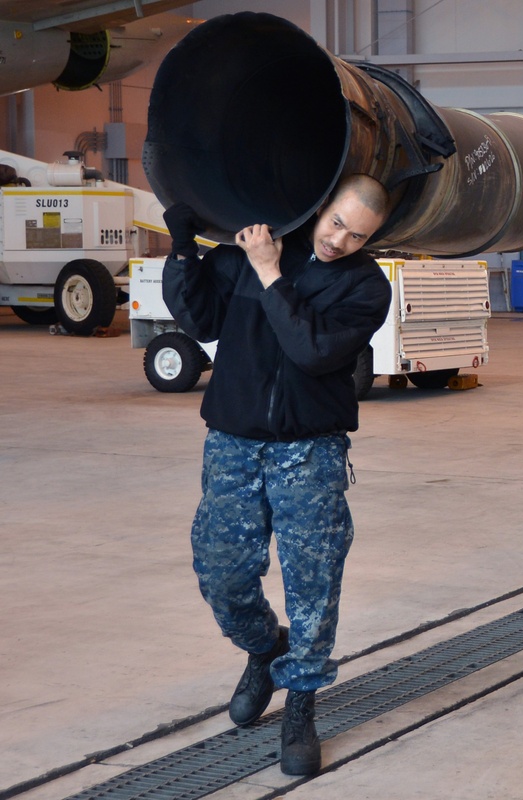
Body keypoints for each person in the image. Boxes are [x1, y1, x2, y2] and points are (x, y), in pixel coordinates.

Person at [161, 173, 392, 776]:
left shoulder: (365, 288)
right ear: (320, 208)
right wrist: (185, 247)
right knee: (220, 575)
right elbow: (197, 317)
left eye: (357, 234)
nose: (340, 240)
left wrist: (270, 273)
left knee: (312, 586)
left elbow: (312, 351)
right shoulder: (256, 246)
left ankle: (301, 707)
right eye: (336, 222)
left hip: (309, 451)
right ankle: (266, 648)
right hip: (232, 445)